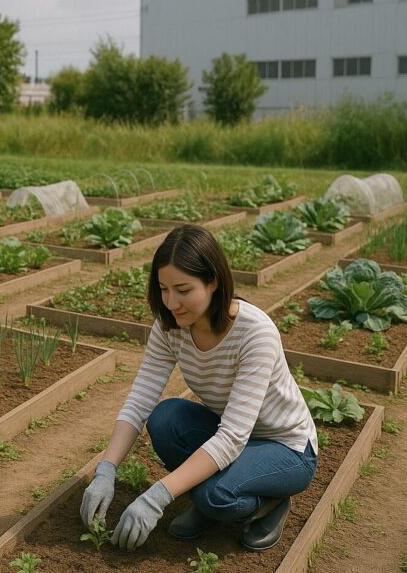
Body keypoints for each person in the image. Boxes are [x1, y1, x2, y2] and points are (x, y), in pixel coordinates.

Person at [80, 224, 318, 552]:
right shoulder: (171, 327)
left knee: (215, 496)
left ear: (213, 282)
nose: (171, 302)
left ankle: (270, 503)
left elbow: (232, 436)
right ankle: (211, 494)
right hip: (236, 436)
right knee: (164, 419)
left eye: (183, 289)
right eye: (163, 288)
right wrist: (106, 469)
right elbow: (140, 400)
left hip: (286, 447)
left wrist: (156, 497)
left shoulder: (255, 334)